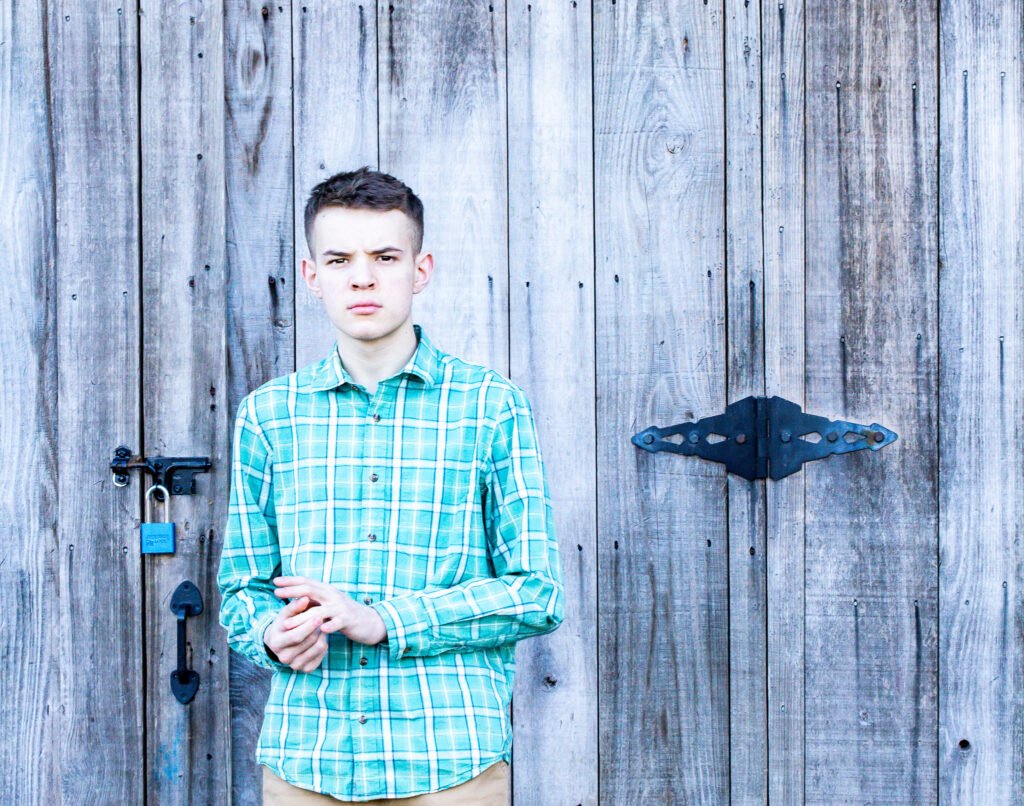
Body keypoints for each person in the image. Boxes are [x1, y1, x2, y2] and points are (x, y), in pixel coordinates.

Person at [217, 167, 565, 805]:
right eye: (340, 258)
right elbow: (242, 590)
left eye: (385, 256)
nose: (363, 277)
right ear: (311, 275)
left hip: (450, 763)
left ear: (420, 269)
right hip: (307, 764)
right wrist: (270, 633)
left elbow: (537, 592)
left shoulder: (491, 406)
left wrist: (384, 620)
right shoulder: (269, 415)